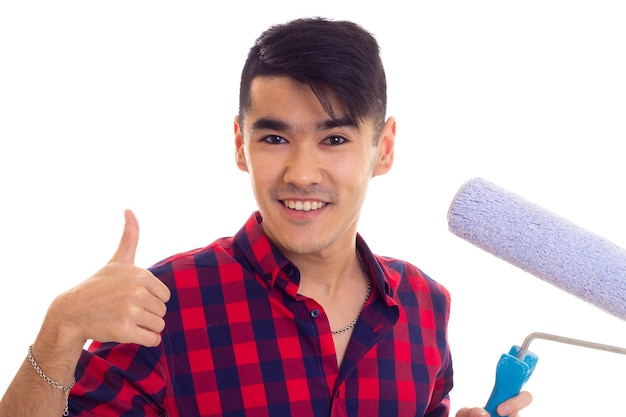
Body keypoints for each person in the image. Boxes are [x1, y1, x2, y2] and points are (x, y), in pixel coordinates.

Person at [0, 17, 532, 417]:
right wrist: (61, 331)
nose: (301, 173)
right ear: (240, 144)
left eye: (335, 139)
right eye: (275, 138)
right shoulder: (163, 304)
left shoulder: (423, 304)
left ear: (384, 147)